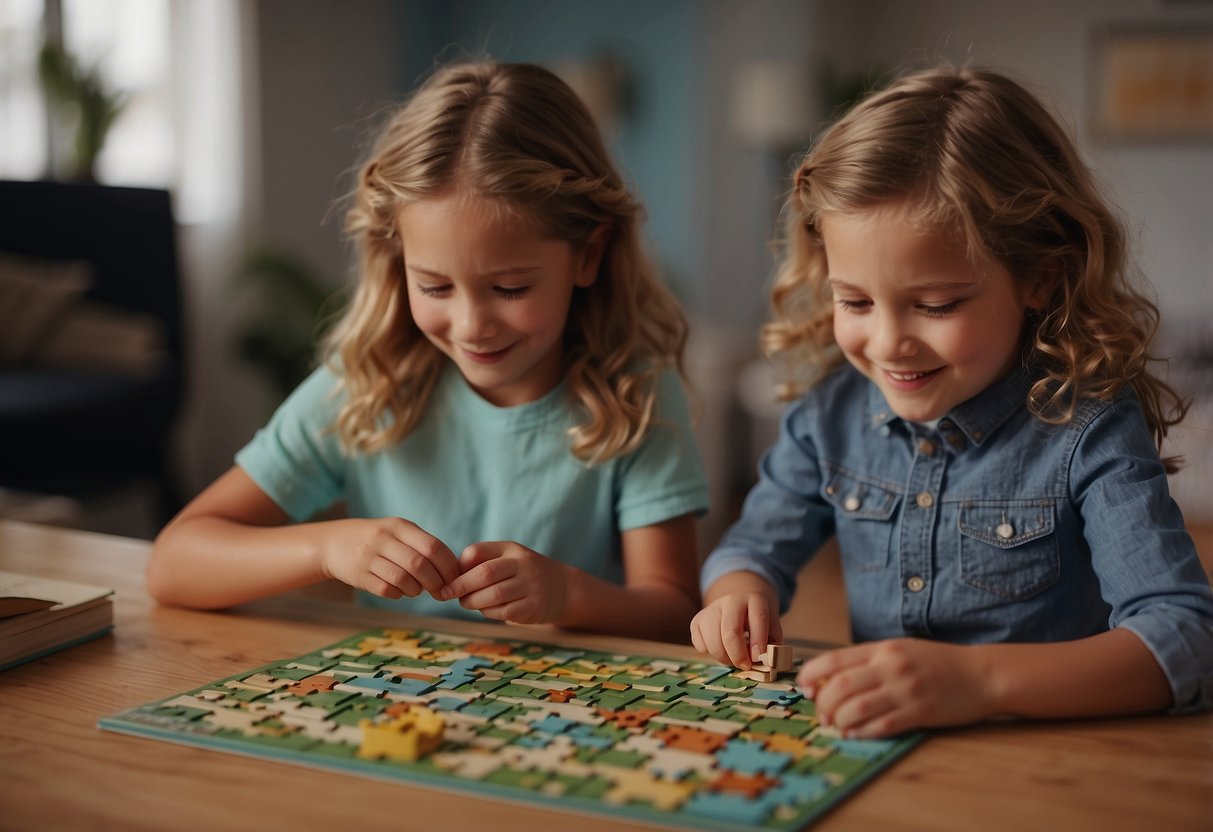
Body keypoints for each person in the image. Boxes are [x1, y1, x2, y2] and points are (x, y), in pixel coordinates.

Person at [692, 65, 1213, 736]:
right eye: (853, 300)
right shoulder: (828, 415)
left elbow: (1186, 638)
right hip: (880, 758)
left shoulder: (1087, 431)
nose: (887, 343)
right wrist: (737, 593)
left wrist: (975, 680)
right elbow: (751, 548)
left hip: (1048, 766)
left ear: (1039, 279)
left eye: (934, 305)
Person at [148, 61, 709, 642]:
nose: (471, 325)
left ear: (588, 255)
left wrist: (567, 593)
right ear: (398, 262)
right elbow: (172, 564)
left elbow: (673, 612)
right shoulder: (367, 383)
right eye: (435, 287)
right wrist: (326, 545)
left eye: (510, 287)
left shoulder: (634, 393)